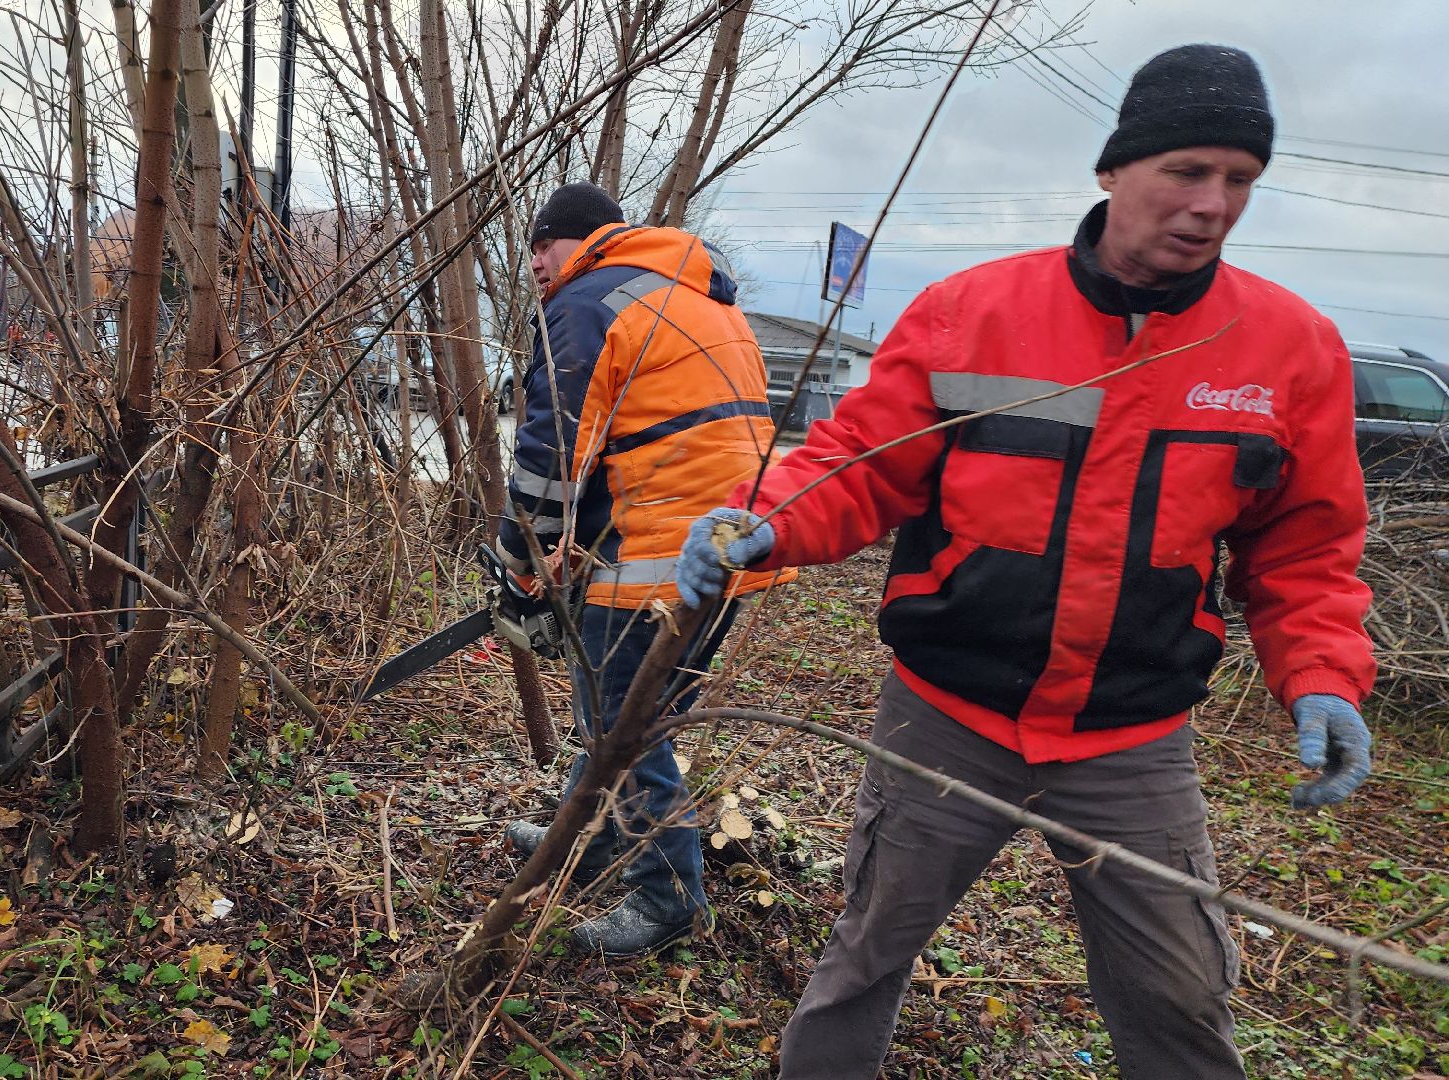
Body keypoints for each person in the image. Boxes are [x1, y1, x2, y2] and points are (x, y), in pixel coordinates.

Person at [675, 44, 1376, 1078]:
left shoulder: (1289, 349)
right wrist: (764, 517)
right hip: (946, 715)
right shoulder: (973, 313)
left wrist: (1321, 677)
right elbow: (860, 465)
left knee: (1180, 998)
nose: (1212, 204)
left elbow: (1305, 549)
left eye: (1240, 179)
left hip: (1132, 738)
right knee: (865, 956)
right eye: (1187, 170)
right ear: (1113, 168)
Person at [497, 181, 793, 956]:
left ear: (587, 239)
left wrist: (520, 565)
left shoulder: (589, 300)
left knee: (623, 726)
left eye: (544, 244)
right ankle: (586, 838)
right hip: (729, 543)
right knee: (630, 714)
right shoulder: (698, 296)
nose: (536, 261)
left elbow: (551, 451)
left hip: (655, 550)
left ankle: (668, 894)